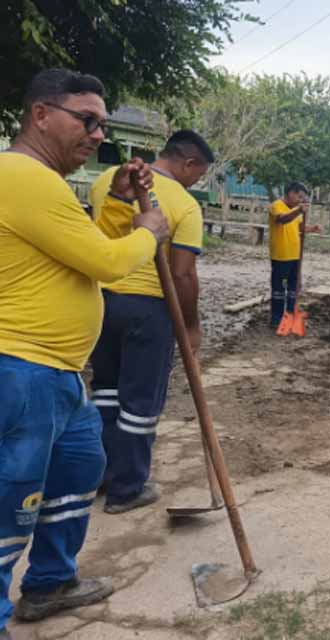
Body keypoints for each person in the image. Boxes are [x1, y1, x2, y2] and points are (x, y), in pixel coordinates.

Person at [0, 69, 169, 636]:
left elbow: (88, 246)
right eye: (87, 120)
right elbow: (108, 262)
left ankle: (50, 581)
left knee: (78, 470)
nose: (98, 134)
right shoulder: (22, 176)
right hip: (22, 367)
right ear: (40, 115)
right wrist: (150, 229)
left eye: (102, 124)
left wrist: (119, 202)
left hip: (61, 374)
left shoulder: (44, 183)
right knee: (12, 497)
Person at [87, 130, 214, 514]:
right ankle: (127, 488)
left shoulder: (107, 180)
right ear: (188, 163)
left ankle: (100, 475)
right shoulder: (185, 205)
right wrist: (190, 326)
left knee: (106, 391)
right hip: (149, 307)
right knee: (140, 402)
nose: (197, 182)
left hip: (100, 301)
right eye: (199, 174)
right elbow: (182, 274)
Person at [268, 182, 321, 328]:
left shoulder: (296, 210)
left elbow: (299, 227)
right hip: (281, 255)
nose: (300, 200)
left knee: (294, 287)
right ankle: (276, 319)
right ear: (291, 193)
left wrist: (312, 228)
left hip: (295, 255)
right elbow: (283, 219)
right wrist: (299, 210)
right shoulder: (276, 205)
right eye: (299, 196)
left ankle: (290, 315)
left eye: (302, 198)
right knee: (279, 288)